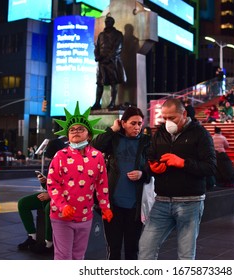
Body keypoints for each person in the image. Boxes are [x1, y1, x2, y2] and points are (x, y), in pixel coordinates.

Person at [138, 98, 217, 260]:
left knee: (185, 255)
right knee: (146, 247)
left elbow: (210, 167)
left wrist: (183, 163)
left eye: (172, 118)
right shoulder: (160, 133)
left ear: (184, 114)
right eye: (164, 118)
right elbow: (150, 157)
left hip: (190, 202)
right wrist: (151, 168)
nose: (168, 122)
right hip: (161, 200)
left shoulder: (200, 134)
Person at [47, 101, 113, 260]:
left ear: (89, 134)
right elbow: (52, 183)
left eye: (80, 129)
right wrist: (62, 205)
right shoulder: (60, 156)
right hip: (61, 216)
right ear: (68, 135)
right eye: (72, 130)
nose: (75, 132)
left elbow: (102, 184)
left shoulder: (97, 156)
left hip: (85, 216)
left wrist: (105, 207)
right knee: (63, 258)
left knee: (78, 256)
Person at [91, 106, 151, 260]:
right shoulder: (114, 139)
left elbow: (154, 167)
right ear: (123, 123)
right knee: (114, 249)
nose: (137, 127)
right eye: (132, 123)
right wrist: (112, 129)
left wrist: (143, 174)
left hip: (135, 206)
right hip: (113, 204)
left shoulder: (146, 142)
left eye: (139, 123)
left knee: (132, 250)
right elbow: (95, 148)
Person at [17, 138, 67, 255]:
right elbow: (51, 185)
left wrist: (50, 195)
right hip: (49, 194)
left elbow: (68, 187)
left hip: (60, 199)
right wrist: (44, 181)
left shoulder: (67, 164)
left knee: (49, 208)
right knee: (23, 203)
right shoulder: (52, 163)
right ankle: (32, 236)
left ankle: (49, 243)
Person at [91, 16, 126, 110]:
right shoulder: (101, 35)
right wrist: (97, 56)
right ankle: (97, 103)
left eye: (109, 21)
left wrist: (109, 57)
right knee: (99, 83)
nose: (107, 23)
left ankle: (112, 103)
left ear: (112, 23)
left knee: (113, 82)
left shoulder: (118, 34)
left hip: (112, 62)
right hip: (101, 62)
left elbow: (118, 47)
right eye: (106, 21)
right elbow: (97, 47)